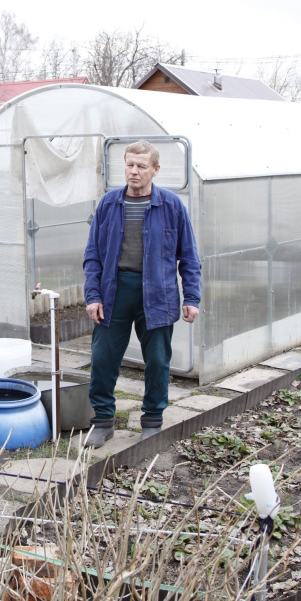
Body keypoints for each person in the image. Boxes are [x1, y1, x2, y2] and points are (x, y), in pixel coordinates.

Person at [83, 140, 200, 448]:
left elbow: (188, 257)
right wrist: (93, 295)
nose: (133, 172)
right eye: (129, 165)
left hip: (158, 293)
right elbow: (93, 254)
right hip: (114, 291)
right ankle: (103, 420)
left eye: (141, 166)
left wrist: (191, 298)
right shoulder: (109, 204)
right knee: (103, 358)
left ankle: (151, 421)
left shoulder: (172, 206)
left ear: (155, 170)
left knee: (159, 360)